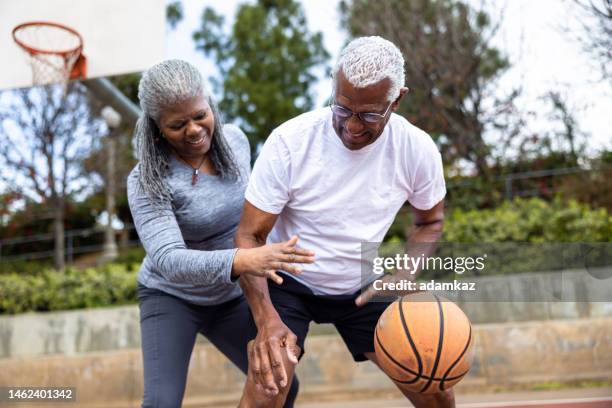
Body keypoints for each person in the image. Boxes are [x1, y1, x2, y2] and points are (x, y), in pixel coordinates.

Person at [236, 37, 453, 407]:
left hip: (362, 286)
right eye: (342, 108)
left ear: (397, 99)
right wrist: (266, 320)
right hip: (287, 282)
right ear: (334, 87)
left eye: (369, 114)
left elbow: (429, 221)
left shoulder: (416, 150)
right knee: (267, 389)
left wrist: (403, 275)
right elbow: (249, 236)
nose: (352, 126)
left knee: (433, 388)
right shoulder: (290, 142)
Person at [127, 59, 312, 408]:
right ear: (157, 129)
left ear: (210, 104)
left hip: (230, 297)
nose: (195, 130)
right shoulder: (145, 180)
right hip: (171, 297)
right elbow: (168, 259)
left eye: (200, 115)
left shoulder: (237, 142)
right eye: (178, 124)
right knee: (161, 403)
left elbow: (259, 211)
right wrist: (246, 258)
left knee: (281, 383)